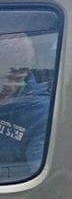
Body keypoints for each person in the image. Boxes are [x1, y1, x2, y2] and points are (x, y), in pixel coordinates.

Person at [0, 33, 54, 183]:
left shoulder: (40, 113)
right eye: (4, 76)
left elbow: (40, 175)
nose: (9, 86)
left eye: (17, 78)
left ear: (27, 72)